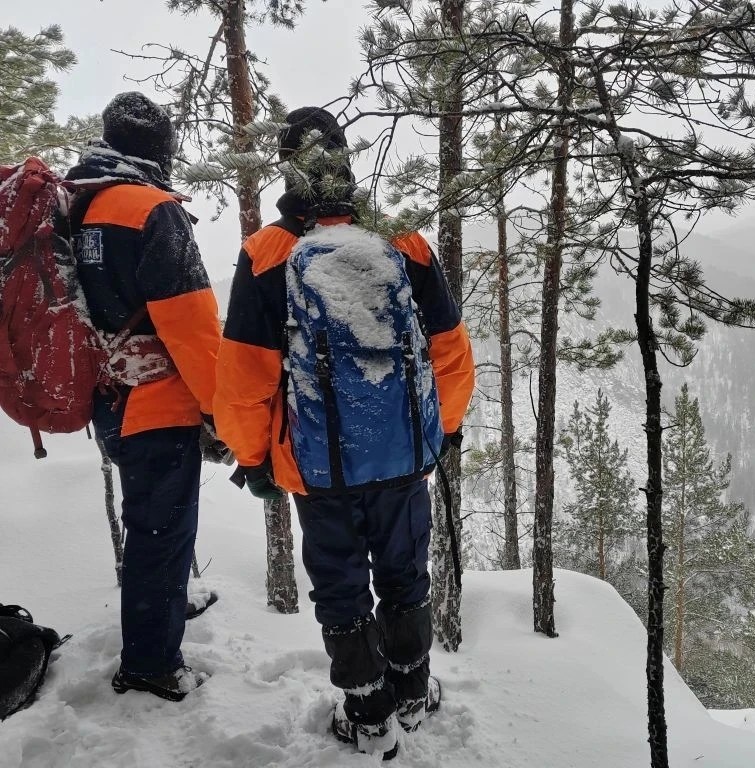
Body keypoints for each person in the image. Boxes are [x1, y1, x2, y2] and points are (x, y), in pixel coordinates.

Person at [214, 107, 474, 759]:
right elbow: (450, 350)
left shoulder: (269, 254)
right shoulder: (403, 239)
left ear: (286, 167)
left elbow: (246, 377)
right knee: (404, 572)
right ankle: (412, 693)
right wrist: (440, 431)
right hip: (402, 456)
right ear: (345, 158)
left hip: (318, 468)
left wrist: (253, 459)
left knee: (340, 584)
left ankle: (366, 713)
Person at [65, 92, 224, 702]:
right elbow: (191, 324)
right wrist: (219, 410)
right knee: (160, 528)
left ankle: (165, 610)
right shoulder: (151, 210)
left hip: (108, 396)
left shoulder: (82, 204)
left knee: (152, 520)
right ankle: (151, 661)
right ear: (160, 148)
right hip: (156, 401)